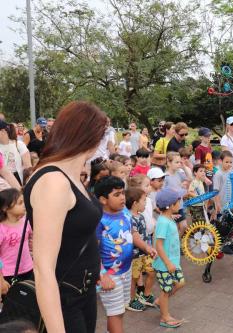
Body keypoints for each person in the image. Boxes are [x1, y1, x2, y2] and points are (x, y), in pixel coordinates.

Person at [23, 101, 107, 332]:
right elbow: (43, 268)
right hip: (64, 299)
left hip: (83, 293)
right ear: (86, 137)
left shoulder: (70, 175)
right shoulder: (54, 181)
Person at [94, 176, 155, 333]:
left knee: (119, 311)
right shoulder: (99, 221)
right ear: (102, 199)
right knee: (115, 312)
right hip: (109, 274)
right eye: (116, 194)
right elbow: (93, 250)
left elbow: (132, 233)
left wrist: (145, 247)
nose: (122, 197)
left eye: (122, 193)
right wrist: (101, 274)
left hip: (126, 270)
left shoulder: (125, 213)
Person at [153, 187, 186, 329]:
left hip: (173, 262)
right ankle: (164, 317)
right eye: (179, 201)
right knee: (166, 290)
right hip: (164, 265)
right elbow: (158, 245)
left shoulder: (167, 218)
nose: (181, 203)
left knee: (180, 283)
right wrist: (167, 263)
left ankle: (160, 302)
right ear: (171, 206)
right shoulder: (162, 222)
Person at [125, 186, 157, 312]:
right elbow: (134, 238)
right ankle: (131, 300)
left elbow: (145, 235)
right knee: (134, 277)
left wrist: (149, 247)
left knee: (152, 271)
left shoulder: (140, 216)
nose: (146, 202)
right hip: (135, 255)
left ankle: (146, 294)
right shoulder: (129, 218)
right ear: (134, 203)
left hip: (145, 252)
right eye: (144, 200)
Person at [0, 189, 33, 285]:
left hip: (28, 269)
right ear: (5, 208)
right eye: (20, 203)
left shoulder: (26, 222)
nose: (24, 205)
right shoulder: (1, 228)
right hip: (8, 274)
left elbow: (31, 240)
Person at [163, 152, 189, 235]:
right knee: (174, 228)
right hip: (171, 206)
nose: (179, 164)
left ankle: (176, 243)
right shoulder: (165, 176)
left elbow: (190, 178)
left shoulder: (179, 173)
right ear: (169, 162)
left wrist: (184, 167)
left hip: (179, 205)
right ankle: (173, 244)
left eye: (179, 162)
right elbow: (163, 192)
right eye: (176, 162)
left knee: (184, 226)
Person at [213, 150, 233, 217]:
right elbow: (216, 191)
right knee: (221, 224)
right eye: (226, 162)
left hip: (230, 204)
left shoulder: (231, 172)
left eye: (231, 162)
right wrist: (217, 204)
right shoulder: (218, 174)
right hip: (221, 204)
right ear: (221, 161)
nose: (229, 164)